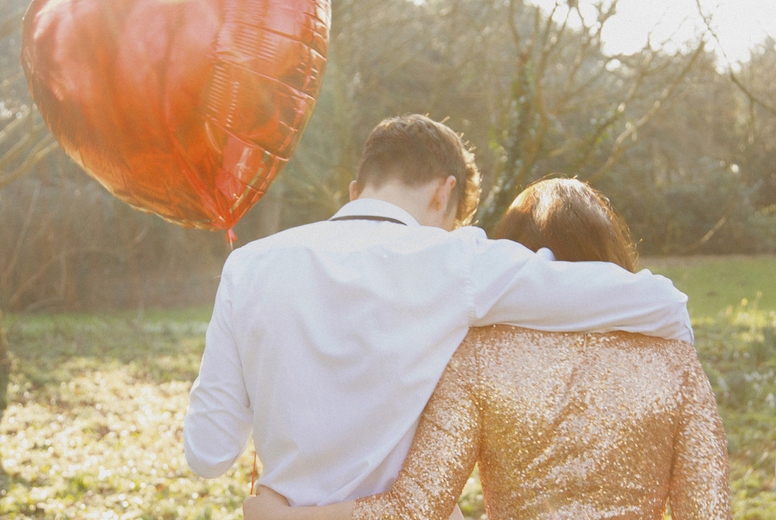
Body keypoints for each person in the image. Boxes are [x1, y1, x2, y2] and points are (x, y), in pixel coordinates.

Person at [184, 115, 693, 510]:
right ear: (444, 192)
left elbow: (207, 456)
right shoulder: (456, 262)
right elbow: (663, 304)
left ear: (356, 190)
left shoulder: (248, 266)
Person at [243, 178, 731, 519]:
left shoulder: (477, 357)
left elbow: (414, 508)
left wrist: (288, 517)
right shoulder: (674, 360)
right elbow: (708, 511)